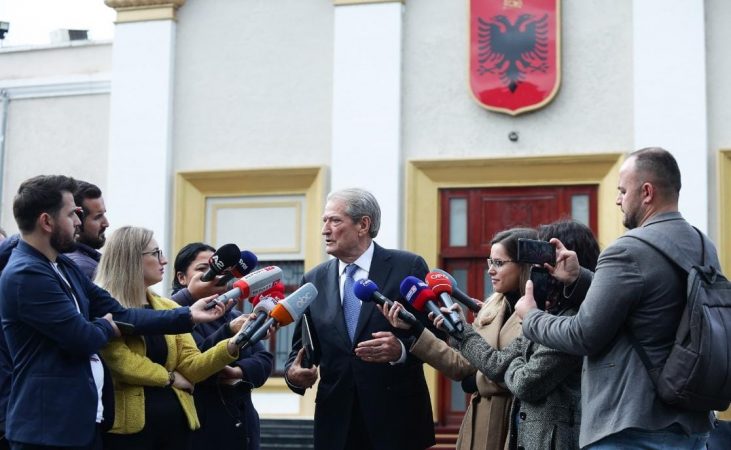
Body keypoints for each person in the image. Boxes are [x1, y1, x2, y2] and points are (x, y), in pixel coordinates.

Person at [0, 175, 227, 450]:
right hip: (48, 429)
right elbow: (82, 338)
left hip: (81, 423)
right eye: (72, 214)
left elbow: (121, 314)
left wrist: (188, 315)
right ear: (47, 221)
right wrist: (107, 326)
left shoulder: (62, 266)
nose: (78, 222)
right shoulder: (27, 274)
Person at [516, 147, 717, 449]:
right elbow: (650, 305)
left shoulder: (626, 250)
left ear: (646, 192)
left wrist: (531, 317)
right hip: (692, 422)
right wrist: (579, 278)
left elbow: (583, 335)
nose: (618, 200)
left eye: (623, 191)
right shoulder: (703, 245)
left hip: (632, 428)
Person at [284, 188, 436, 450]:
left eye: (334, 221)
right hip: (336, 423)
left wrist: (400, 351)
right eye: (324, 221)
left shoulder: (407, 267)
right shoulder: (313, 280)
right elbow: (300, 348)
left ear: (363, 225)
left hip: (397, 421)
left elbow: (437, 336)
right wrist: (293, 374)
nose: (324, 230)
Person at [96, 227, 253, 450]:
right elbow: (120, 362)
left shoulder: (168, 307)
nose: (165, 260)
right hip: (130, 435)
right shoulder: (104, 306)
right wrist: (169, 378)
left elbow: (192, 367)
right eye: (156, 253)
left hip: (178, 430)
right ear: (130, 257)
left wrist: (235, 341)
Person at [382, 227, 537, 450]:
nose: (490, 270)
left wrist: (477, 381)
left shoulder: (539, 313)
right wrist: (416, 328)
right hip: (478, 424)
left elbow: (515, 373)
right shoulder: (492, 306)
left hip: (515, 423)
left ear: (524, 266)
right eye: (489, 262)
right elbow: (463, 367)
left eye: (499, 263)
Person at [172, 243, 273, 450]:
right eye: (203, 269)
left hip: (242, 427)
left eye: (223, 270)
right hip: (199, 428)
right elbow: (196, 361)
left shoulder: (235, 315)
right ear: (182, 278)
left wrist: (238, 371)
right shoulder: (173, 316)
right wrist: (228, 333)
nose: (217, 275)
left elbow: (264, 361)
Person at [65, 181, 109, 279]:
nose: (106, 223)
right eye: (98, 217)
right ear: (77, 220)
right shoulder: (85, 268)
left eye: (104, 214)